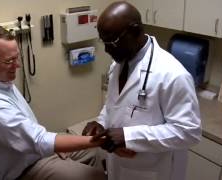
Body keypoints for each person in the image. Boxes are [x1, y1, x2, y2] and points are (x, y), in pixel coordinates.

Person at [0, 24, 107, 180]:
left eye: (17, 57)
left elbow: (33, 136)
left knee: (95, 152)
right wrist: (100, 140)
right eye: (9, 61)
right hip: (25, 171)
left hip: (34, 152)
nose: (17, 65)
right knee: (97, 176)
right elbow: (38, 140)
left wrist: (57, 144)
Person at [83, 1, 202, 180]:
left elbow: (189, 132)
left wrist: (129, 136)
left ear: (136, 31)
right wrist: (101, 124)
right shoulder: (118, 64)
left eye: (113, 42)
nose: (107, 49)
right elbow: (113, 106)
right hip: (118, 165)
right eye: (104, 41)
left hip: (154, 170)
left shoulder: (173, 75)